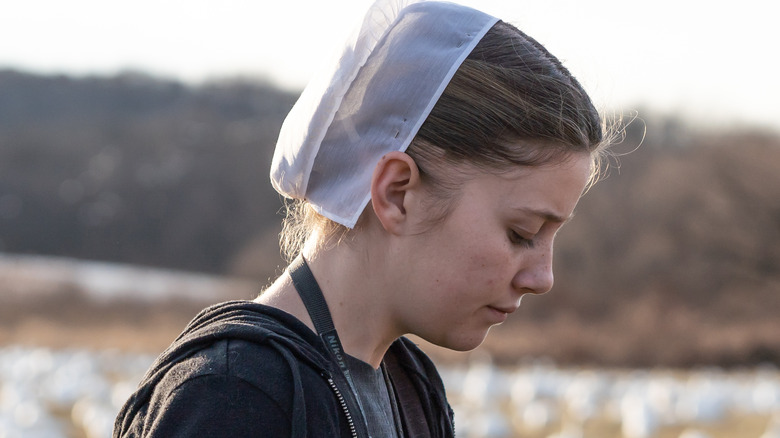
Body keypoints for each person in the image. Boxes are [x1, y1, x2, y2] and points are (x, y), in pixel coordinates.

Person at [114, 0, 610, 436]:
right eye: (520, 233)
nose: (542, 278)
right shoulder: (232, 398)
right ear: (396, 193)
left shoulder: (409, 384)